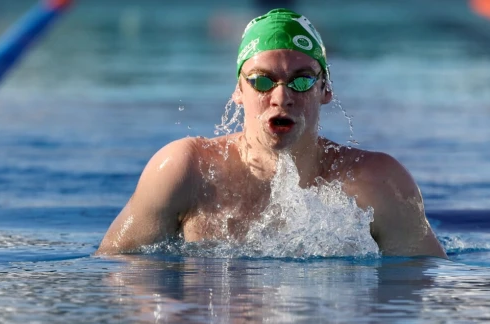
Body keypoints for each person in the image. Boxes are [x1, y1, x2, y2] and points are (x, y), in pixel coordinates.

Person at [97, 8, 447, 259]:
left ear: (325, 89)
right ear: (238, 89)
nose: (281, 98)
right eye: (262, 80)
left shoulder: (379, 182)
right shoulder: (185, 170)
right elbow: (116, 271)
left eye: (302, 80)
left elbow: (419, 286)